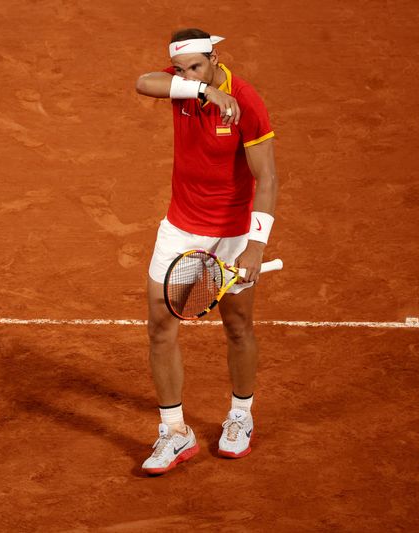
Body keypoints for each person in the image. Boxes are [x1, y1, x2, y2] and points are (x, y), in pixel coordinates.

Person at [134, 28, 278, 474]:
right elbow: (143, 82)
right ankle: (175, 432)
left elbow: (267, 179)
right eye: (181, 68)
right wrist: (202, 89)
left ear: (216, 58)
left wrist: (256, 245)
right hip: (181, 226)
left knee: (237, 325)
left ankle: (240, 416)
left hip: (234, 230)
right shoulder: (185, 86)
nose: (186, 73)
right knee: (160, 325)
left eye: (197, 66)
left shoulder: (247, 101)